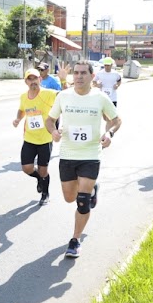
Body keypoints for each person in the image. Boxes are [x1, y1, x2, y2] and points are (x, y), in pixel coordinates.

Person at [45, 60, 121, 259]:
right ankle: (93, 189)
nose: (78, 76)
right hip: (68, 155)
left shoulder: (100, 98)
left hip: (90, 155)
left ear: (91, 76)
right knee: (69, 197)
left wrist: (110, 133)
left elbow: (116, 120)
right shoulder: (63, 96)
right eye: (76, 73)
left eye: (83, 73)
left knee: (82, 201)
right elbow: (49, 119)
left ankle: (75, 240)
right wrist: (53, 131)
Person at [13, 68, 57, 205]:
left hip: (45, 139)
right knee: (27, 168)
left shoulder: (48, 94)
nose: (33, 82)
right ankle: (39, 179)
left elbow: (64, 96)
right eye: (30, 79)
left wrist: (62, 80)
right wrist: (18, 119)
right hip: (29, 138)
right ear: (26, 81)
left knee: (44, 170)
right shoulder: (23, 97)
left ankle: (45, 193)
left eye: (35, 78)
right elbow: (21, 110)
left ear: (40, 79)